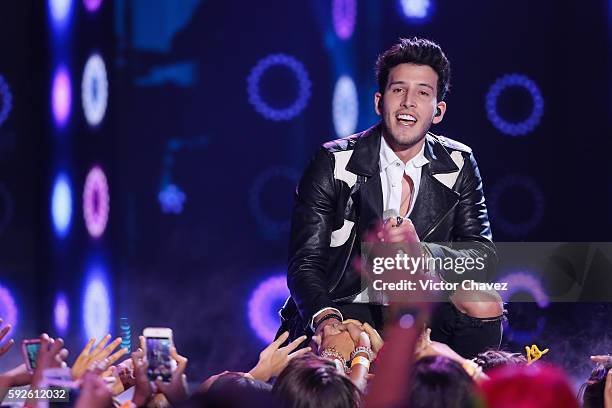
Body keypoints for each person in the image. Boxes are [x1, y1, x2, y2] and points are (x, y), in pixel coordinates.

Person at [279, 37, 503, 358]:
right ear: (379, 102)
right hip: (347, 304)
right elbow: (305, 263)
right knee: (346, 342)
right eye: (399, 90)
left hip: (423, 308)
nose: (408, 102)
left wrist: (422, 252)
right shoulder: (332, 162)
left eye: (423, 93)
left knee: (483, 299)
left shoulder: (459, 163)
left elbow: (484, 257)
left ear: (438, 111)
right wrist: (326, 319)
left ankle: (457, 394)